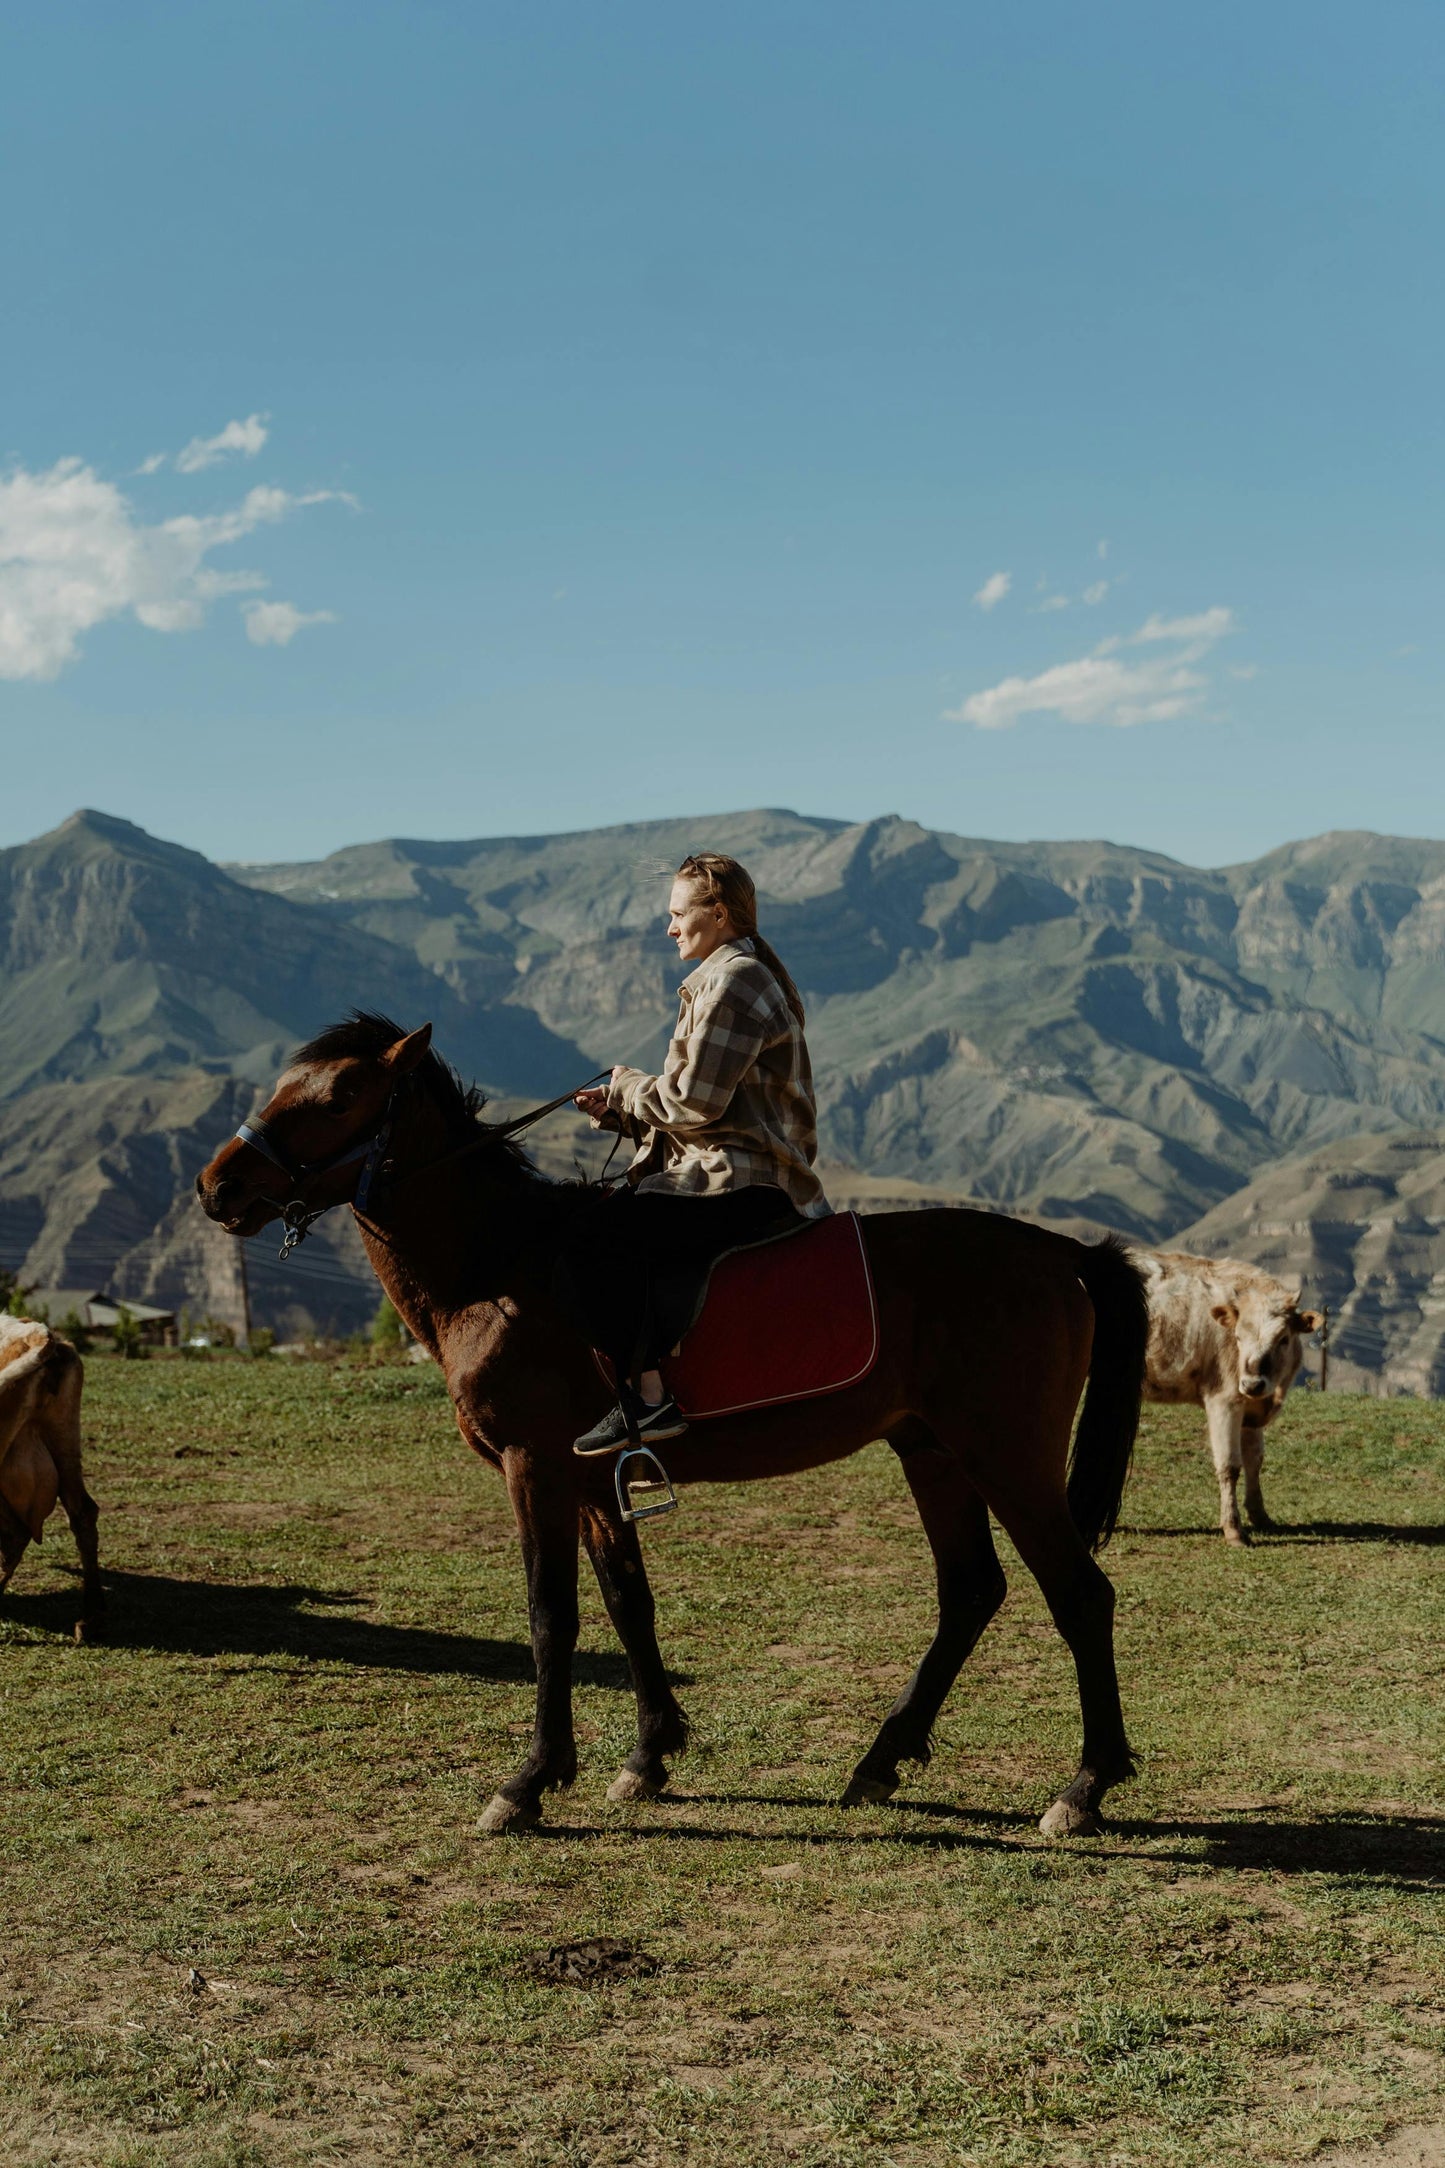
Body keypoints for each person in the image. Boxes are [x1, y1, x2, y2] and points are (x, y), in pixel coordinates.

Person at [565, 852, 830, 1456]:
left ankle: (647, 1399)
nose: (670, 927)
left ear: (720, 912)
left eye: (678, 913)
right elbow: (708, 1112)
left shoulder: (736, 980)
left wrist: (627, 1086)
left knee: (595, 1235)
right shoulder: (726, 976)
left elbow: (693, 1103)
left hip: (746, 1181)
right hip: (724, 1166)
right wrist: (620, 1111)